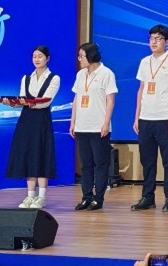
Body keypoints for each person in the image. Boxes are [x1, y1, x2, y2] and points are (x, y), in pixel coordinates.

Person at [131, 24, 168, 212]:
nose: (154, 42)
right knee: (147, 161)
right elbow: (141, 90)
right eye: (151, 38)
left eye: (158, 39)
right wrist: (137, 117)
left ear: (167, 42)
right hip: (146, 118)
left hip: (165, 117)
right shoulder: (144, 62)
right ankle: (147, 197)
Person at [1, 45, 60, 209]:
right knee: (28, 155)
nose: (36, 59)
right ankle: (30, 196)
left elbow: (46, 101)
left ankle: (41, 197)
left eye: (40, 56)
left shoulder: (54, 78)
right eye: (34, 56)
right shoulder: (26, 78)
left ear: (47, 58)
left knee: (41, 154)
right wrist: (12, 103)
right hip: (26, 119)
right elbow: (22, 99)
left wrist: (27, 102)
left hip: (42, 120)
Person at [70, 42, 118, 210]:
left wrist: (106, 123)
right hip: (82, 126)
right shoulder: (80, 75)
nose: (79, 59)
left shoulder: (106, 73)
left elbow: (110, 101)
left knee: (100, 164)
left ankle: (99, 198)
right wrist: (73, 121)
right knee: (86, 164)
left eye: (81, 56)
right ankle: (86, 197)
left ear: (91, 56)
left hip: (98, 127)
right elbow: (76, 98)